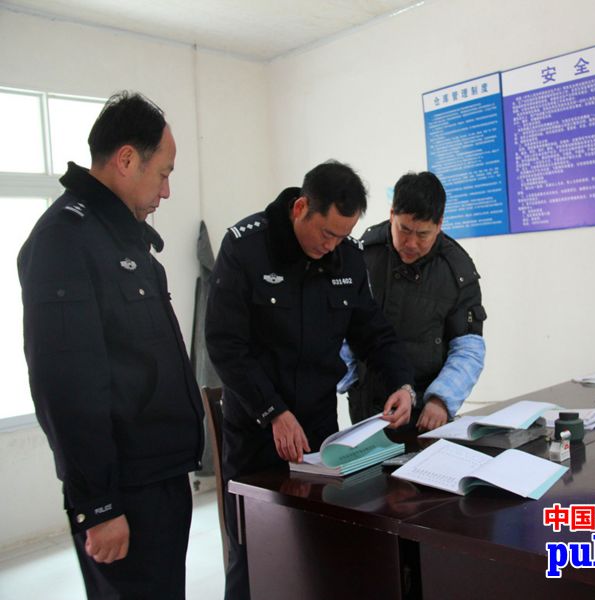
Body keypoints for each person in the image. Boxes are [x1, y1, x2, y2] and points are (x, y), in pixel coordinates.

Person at [17, 91, 204, 599]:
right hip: (124, 490)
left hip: (158, 477)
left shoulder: (121, 235)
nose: (167, 190)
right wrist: (99, 506)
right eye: (162, 173)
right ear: (126, 160)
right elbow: (65, 386)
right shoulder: (65, 240)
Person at [205, 160, 415, 600]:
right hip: (257, 432)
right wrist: (274, 412)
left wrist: (402, 383)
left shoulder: (346, 256)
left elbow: (372, 332)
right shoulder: (246, 248)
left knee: (317, 548)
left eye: (342, 235)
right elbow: (225, 345)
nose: (332, 245)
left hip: (320, 434)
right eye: (327, 233)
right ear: (301, 208)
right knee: (253, 554)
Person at [342, 171, 486, 432]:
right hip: (366, 410)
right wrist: (350, 377)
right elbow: (343, 323)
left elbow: (468, 349)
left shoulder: (457, 271)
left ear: (439, 224)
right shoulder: (365, 253)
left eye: (422, 234)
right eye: (404, 229)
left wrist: (441, 400)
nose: (410, 243)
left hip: (423, 414)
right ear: (392, 214)